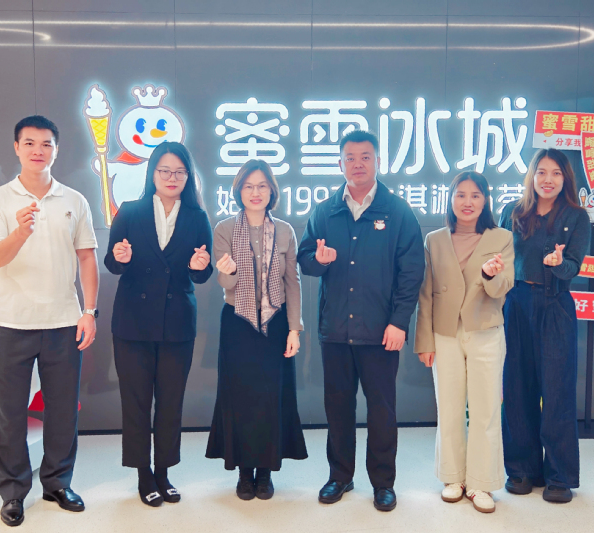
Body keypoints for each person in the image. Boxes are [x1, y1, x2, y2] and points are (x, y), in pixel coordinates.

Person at [0, 115, 99, 527]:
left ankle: (57, 483)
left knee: (63, 411)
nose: (37, 151)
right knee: (9, 413)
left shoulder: (74, 200)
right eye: (29, 143)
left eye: (46, 144)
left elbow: (87, 257)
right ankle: (13, 492)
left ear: (56, 150)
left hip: (63, 321)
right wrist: (19, 233)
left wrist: (89, 311)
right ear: (16, 147)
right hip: (9, 321)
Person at [297, 130, 425, 512]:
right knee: (338, 408)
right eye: (350, 158)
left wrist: (399, 321)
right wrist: (318, 261)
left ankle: (383, 483)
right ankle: (340, 476)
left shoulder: (397, 211)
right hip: (335, 330)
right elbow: (305, 259)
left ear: (377, 162)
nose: (357, 164)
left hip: (381, 332)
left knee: (382, 410)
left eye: (365, 157)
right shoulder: (325, 211)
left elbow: (412, 271)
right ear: (340, 164)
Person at [104, 142, 213, 507]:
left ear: (188, 177)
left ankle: (164, 472)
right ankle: (143, 474)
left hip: (176, 323)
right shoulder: (130, 211)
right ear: (152, 173)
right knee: (136, 402)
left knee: (170, 402)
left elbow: (202, 271)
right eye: (164, 170)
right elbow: (112, 263)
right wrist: (120, 257)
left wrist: (200, 267)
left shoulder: (197, 216)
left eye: (179, 172)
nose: (171, 177)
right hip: (133, 323)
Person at [206, 159, 308, 501]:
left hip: (276, 323)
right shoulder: (224, 229)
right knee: (240, 397)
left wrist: (294, 329)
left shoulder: (285, 231)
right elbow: (225, 283)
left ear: (271, 191)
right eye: (249, 186)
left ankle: (265, 472)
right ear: (239, 191)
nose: (255, 192)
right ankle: (244, 472)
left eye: (262, 185)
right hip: (238, 322)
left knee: (270, 397)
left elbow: (292, 283)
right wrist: (229, 270)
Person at [414, 171, 514, 513]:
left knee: (486, 410)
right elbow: (426, 293)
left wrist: (489, 275)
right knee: (450, 408)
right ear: (451, 199)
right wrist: (424, 341)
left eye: (475, 195)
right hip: (444, 333)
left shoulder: (501, 237)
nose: (467, 202)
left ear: (485, 201)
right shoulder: (434, 239)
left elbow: (503, 288)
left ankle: (481, 483)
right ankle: (453, 477)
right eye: (461, 194)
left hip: (485, 329)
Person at [499, 148, 590, 504]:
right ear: (531, 176)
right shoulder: (513, 211)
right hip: (516, 303)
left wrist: (557, 263)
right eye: (541, 172)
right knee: (517, 388)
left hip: (555, 304)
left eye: (555, 173)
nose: (547, 179)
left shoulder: (576, 216)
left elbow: (573, 267)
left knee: (556, 392)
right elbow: (500, 258)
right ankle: (522, 470)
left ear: (565, 178)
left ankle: (559, 476)